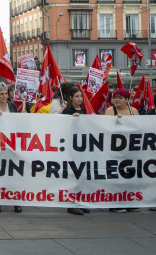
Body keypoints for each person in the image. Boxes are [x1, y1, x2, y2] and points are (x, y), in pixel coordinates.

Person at [0, 82, 22, 213]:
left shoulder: (12, 106)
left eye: (6, 93)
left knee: (13, 173)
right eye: (1, 94)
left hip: (12, 144)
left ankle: (15, 201)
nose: (4, 96)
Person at [105, 88, 138, 213]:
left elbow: (138, 127)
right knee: (116, 175)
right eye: (115, 97)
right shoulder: (110, 111)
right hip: (115, 148)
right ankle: (116, 202)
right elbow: (105, 127)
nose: (117, 100)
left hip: (130, 148)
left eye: (120, 98)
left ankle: (130, 201)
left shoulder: (133, 111)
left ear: (127, 100)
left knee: (130, 174)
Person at [60, 86, 89, 216]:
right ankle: (71, 203)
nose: (79, 99)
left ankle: (79, 201)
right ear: (71, 98)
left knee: (81, 175)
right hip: (71, 147)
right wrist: (71, 119)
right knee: (73, 174)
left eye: (81, 96)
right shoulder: (67, 111)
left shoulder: (84, 110)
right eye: (77, 96)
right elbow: (63, 127)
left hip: (82, 146)